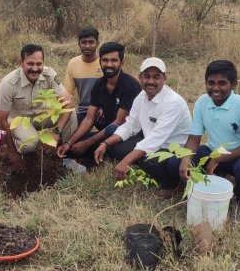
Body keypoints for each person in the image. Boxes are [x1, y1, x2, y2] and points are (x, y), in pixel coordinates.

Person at [177, 60, 240, 223]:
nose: (215, 88)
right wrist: (185, 160)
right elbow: (194, 138)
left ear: (233, 84)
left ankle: (239, 199)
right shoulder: (202, 102)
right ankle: (208, 185)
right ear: (205, 83)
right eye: (211, 83)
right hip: (213, 151)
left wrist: (218, 159)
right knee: (184, 162)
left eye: (222, 83)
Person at [93, 57, 192, 196]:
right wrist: (104, 143)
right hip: (150, 143)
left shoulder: (173, 102)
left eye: (156, 77)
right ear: (140, 77)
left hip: (173, 150)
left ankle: (173, 185)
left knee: (144, 158)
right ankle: (150, 169)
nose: (150, 81)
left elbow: (156, 139)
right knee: (114, 145)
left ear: (164, 78)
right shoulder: (141, 96)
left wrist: (127, 160)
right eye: (146, 76)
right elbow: (130, 125)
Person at [0, 44, 83, 173]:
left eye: (39, 64)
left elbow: (68, 103)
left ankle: (68, 157)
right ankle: (15, 144)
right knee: (31, 144)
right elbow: (2, 119)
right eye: (30, 64)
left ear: (43, 63)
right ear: (21, 63)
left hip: (42, 115)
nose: (35, 68)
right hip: (19, 119)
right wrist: (12, 153)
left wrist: (56, 131)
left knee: (70, 113)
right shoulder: (8, 83)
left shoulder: (49, 74)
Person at [56, 42, 141, 161]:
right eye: (105, 60)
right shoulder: (99, 84)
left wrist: (88, 143)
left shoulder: (131, 86)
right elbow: (89, 118)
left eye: (114, 60)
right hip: (108, 130)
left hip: (127, 134)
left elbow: (119, 122)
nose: (109, 64)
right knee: (74, 143)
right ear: (100, 62)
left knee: (115, 149)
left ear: (122, 62)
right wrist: (69, 143)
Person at [63, 27, 103, 124]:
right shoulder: (73, 63)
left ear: (97, 43)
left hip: (103, 110)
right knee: (68, 135)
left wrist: (107, 107)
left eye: (91, 42)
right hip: (83, 111)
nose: (87, 46)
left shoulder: (105, 62)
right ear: (79, 44)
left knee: (112, 134)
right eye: (84, 42)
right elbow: (67, 94)